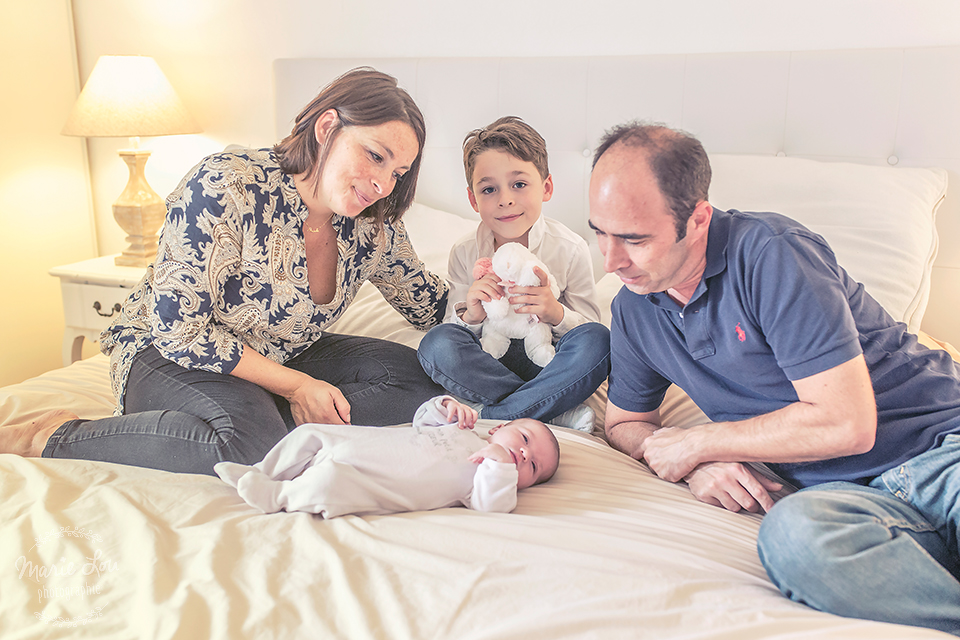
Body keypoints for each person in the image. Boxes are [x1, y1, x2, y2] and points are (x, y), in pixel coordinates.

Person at [588, 121, 960, 635]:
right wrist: (693, 464)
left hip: (941, 450)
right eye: (600, 233)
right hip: (845, 503)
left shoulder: (770, 253)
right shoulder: (633, 308)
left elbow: (847, 424)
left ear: (698, 219)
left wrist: (699, 442)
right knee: (793, 538)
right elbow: (625, 422)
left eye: (634, 239)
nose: (611, 261)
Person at [1, 68, 449, 475]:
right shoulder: (226, 184)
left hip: (279, 353)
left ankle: (263, 416)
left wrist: (493, 289)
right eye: (375, 156)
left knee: (416, 378)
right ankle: (52, 436)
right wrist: (297, 388)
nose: (383, 184)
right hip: (166, 350)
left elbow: (431, 307)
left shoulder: (374, 227)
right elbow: (178, 330)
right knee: (249, 445)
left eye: (398, 172)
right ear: (327, 126)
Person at [417, 116, 610, 432]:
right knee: (437, 345)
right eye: (489, 189)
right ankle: (550, 411)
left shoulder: (570, 248)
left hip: (547, 362)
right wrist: (473, 315)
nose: (505, 199)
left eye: (519, 184)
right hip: (491, 363)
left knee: (600, 342)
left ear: (546, 188)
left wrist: (555, 312)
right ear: (472, 199)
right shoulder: (465, 251)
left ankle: (491, 415)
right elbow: (455, 336)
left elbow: (587, 329)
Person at [214, 395, 560, 517]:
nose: (523, 453)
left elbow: (492, 506)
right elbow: (422, 422)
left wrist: (500, 464)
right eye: (524, 438)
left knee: (328, 483)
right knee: (307, 435)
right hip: (367, 443)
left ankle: (278, 496)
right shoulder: (467, 430)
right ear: (499, 428)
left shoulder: (489, 482)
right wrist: (446, 407)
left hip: (371, 483)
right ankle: (260, 472)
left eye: (533, 466)